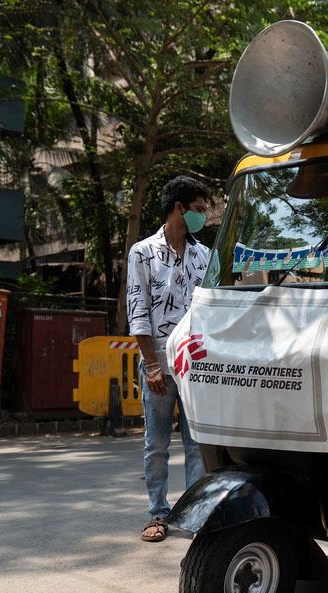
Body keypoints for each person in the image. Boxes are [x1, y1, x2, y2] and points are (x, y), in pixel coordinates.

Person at [127, 176, 211, 542]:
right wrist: (151, 365)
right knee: (156, 442)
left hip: (195, 362)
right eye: (198, 209)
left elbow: (210, 312)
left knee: (198, 444)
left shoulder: (205, 256)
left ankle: (194, 516)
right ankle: (157, 514)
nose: (202, 217)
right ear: (180, 208)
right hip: (158, 358)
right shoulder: (142, 252)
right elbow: (138, 309)